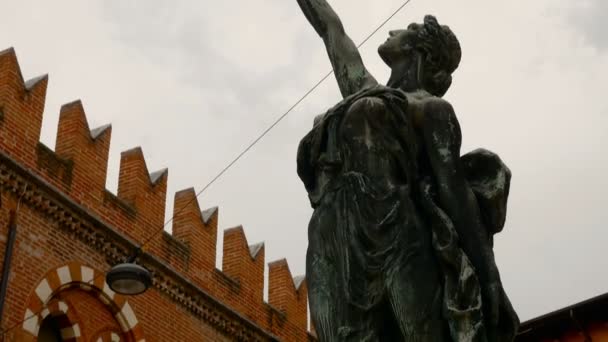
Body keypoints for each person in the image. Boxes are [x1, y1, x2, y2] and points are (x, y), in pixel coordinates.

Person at [295, 1, 519, 341]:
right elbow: (330, 29)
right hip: (333, 233)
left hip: (395, 235)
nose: (392, 30)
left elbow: (454, 192)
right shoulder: (363, 87)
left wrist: (489, 277)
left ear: (418, 51)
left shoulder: (433, 109)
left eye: (406, 29)